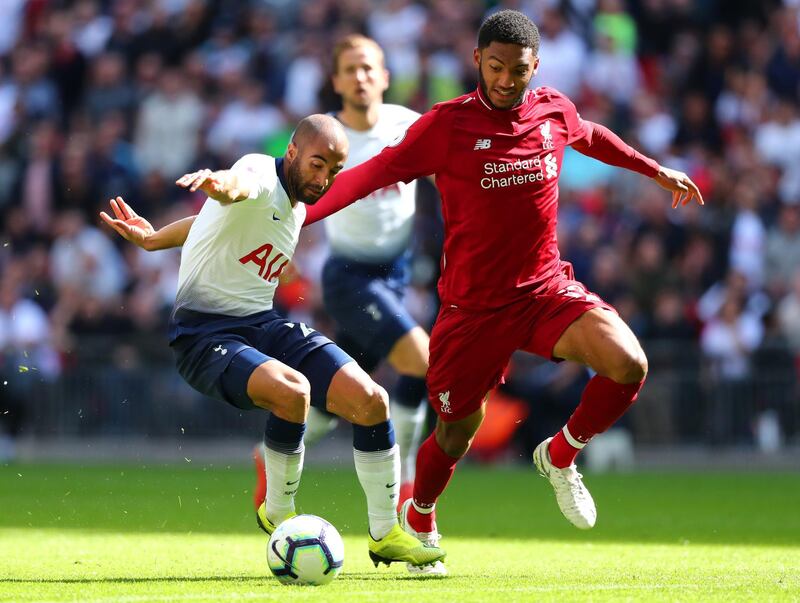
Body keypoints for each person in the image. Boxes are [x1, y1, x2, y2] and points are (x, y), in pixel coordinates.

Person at [303, 10, 704, 558]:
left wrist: (653, 169)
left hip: (544, 291)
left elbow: (590, 136)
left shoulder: (552, 108)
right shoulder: (447, 125)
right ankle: (419, 516)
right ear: (477, 61)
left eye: (518, 69)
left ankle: (561, 454)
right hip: (472, 311)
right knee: (455, 433)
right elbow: (373, 173)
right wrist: (298, 215)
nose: (506, 80)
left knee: (629, 363)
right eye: (495, 67)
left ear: (534, 65)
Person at [99, 114, 445, 570]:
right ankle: (278, 513)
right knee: (294, 392)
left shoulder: (298, 204)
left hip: (260, 322)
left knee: (372, 400)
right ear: (294, 151)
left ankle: (385, 534)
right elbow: (235, 188)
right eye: (318, 164)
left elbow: (208, 222)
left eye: (334, 171)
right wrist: (217, 182)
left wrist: (154, 240)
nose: (324, 179)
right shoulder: (261, 173)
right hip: (202, 333)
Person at [253, 35, 434, 557]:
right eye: (349, 69)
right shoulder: (324, 138)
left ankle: (272, 456)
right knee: (421, 360)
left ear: (384, 75)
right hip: (350, 277)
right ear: (335, 80)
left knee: (339, 400)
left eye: (368, 68)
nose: (359, 77)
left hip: (396, 275)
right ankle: (408, 492)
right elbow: (281, 191)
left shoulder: (410, 125)